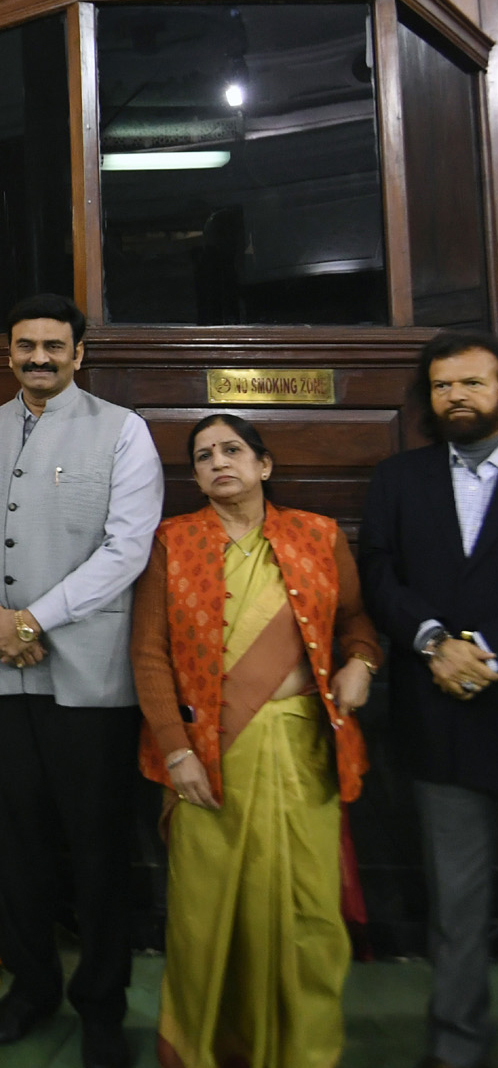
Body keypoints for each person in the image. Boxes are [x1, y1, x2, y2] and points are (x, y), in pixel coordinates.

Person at [0, 293, 162, 1068]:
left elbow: (126, 549)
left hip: (89, 679)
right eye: (25, 345)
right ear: (8, 353)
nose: (38, 357)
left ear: (79, 354)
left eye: (53, 346)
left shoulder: (123, 433)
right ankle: (31, 987)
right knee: (17, 847)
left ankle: (102, 1007)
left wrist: (33, 619)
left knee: (99, 850)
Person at [133, 413, 378, 1068]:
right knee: (206, 917)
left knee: (309, 916)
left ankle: (304, 1051)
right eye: (204, 454)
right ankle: (203, 1049)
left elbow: (357, 623)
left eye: (232, 450)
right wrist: (176, 749)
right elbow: (149, 655)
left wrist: (364, 663)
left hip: (304, 756)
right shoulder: (172, 542)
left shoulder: (318, 537)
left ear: (263, 465)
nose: (218, 462)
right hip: (208, 758)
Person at [359, 330, 498, 1068]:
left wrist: (489, 655)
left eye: (474, 383)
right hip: (440, 718)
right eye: (445, 386)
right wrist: (435, 641)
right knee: (458, 908)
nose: (459, 397)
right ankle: (458, 1048)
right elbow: (378, 572)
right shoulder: (399, 478)